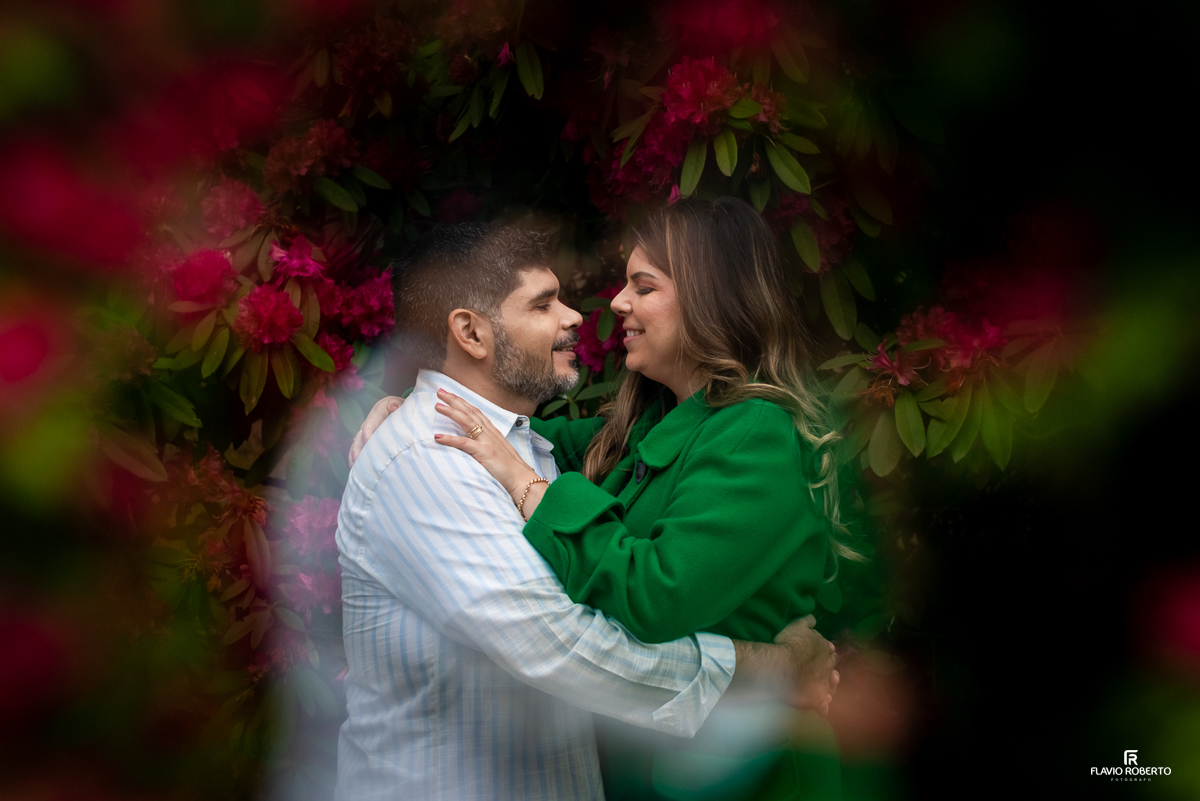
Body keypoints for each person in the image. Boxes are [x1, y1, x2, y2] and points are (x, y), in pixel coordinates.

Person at [353, 198, 854, 800]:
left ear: (707, 300)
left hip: (751, 775)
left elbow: (656, 591)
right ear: (470, 332)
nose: (610, 304)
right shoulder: (641, 431)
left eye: (643, 286)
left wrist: (527, 486)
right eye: (544, 304)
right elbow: (525, 439)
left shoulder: (751, 432)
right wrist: (405, 409)